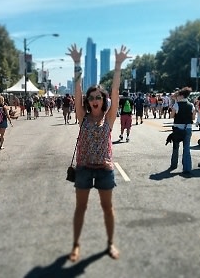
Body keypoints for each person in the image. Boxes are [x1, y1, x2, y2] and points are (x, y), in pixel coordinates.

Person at [66, 43, 130, 262]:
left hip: (104, 170)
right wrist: (76, 63)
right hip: (83, 168)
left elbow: (115, 91)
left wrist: (118, 65)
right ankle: (75, 245)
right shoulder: (82, 116)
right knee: (80, 208)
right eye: (91, 97)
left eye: (98, 97)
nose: (95, 100)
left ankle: (110, 243)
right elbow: (76, 91)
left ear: (104, 101)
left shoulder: (109, 119)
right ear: (88, 101)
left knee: (107, 208)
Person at [169, 87, 196, 176]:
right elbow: (193, 118)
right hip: (187, 127)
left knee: (176, 147)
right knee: (187, 147)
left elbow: (172, 116)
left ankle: (174, 164)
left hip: (177, 128)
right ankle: (187, 168)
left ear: (181, 95)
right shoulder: (191, 105)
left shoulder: (177, 105)